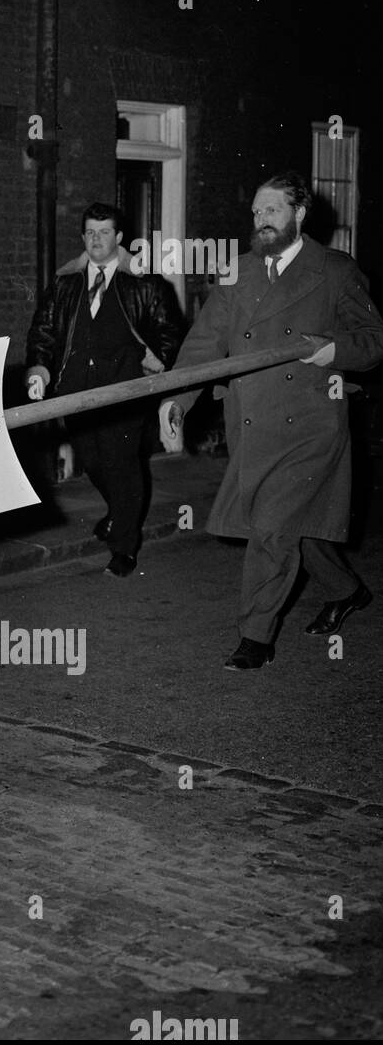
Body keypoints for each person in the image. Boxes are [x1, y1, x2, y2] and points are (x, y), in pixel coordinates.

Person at [161, 171, 383, 671]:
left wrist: (332, 351)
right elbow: (203, 344)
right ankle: (347, 590)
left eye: (273, 211)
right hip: (251, 421)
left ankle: (255, 635)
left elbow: (373, 340)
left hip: (310, 423)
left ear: (299, 214)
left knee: (272, 528)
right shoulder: (238, 271)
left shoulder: (334, 270)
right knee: (290, 526)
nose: (261, 221)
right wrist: (176, 400)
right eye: (257, 213)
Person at [25, 203, 182, 576]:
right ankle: (120, 512)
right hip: (76, 389)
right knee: (93, 461)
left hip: (125, 390)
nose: (97, 240)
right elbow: (44, 332)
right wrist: (39, 371)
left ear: (120, 238)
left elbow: (170, 333)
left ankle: (124, 547)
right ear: (83, 237)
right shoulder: (66, 283)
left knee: (122, 464)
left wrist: (157, 362)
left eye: (105, 232)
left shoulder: (144, 283)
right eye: (91, 233)